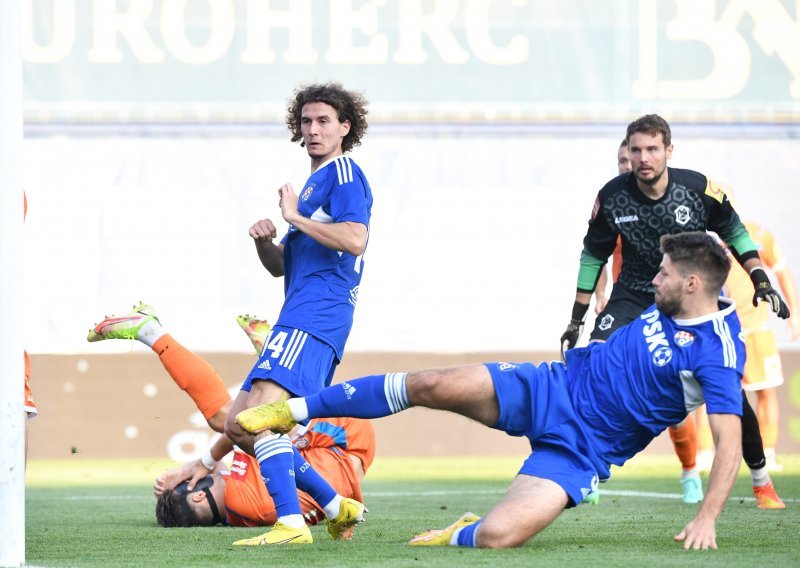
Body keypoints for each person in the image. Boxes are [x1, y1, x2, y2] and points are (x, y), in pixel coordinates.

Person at [238, 232, 746, 550]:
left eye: (665, 274)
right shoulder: (673, 301)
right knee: (430, 383)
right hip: (551, 386)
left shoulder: (718, 354)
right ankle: (291, 411)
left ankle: (455, 531)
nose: (654, 279)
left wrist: (707, 518)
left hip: (582, 451)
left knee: (499, 537)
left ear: (694, 284)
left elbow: (730, 445)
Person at [560, 114, 787, 508]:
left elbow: (734, 231)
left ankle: (761, 478)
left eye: (652, 149)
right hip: (634, 295)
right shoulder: (612, 196)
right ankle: (581, 468)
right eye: (636, 150)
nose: (643, 158)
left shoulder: (697, 189)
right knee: (590, 368)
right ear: (627, 153)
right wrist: (578, 317)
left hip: (689, 297)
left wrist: (761, 279)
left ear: (668, 150)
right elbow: (592, 254)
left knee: (727, 389)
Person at [223, 82, 373, 546]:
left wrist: (294, 218)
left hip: (317, 314)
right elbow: (281, 267)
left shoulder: (345, 173)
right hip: (298, 312)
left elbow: (355, 238)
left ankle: (290, 523)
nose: (313, 129)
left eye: (324, 121)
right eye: (306, 121)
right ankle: (335, 505)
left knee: (264, 415)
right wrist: (265, 241)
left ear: (345, 127)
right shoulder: (310, 190)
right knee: (236, 426)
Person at [87, 304, 375, 535]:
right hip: (342, 442)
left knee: (251, 422)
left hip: (329, 450)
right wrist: (203, 463)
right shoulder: (240, 496)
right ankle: (152, 332)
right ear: (198, 495)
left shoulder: (239, 513)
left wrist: (206, 464)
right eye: (192, 480)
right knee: (227, 419)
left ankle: (277, 367)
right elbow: (237, 432)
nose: (194, 475)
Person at [696, 219, 800, 472]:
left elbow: (782, 271)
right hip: (720, 326)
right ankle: (705, 453)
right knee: (706, 392)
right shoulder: (705, 239)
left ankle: (769, 453)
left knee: (766, 390)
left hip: (757, 327)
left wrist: (795, 314)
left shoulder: (758, 233)